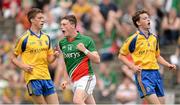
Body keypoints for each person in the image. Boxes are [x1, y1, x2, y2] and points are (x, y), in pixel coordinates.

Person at [118, 10, 176, 104]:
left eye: (148, 18)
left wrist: (168, 64)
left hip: (156, 74)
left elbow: (157, 56)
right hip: (144, 75)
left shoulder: (154, 38)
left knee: (162, 103)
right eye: (145, 18)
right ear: (138, 22)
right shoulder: (133, 39)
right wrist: (132, 66)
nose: (148, 20)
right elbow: (121, 55)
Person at [11, 8, 59, 104]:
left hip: (46, 77)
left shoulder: (46, 37)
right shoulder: (24, 38)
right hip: (33, 78)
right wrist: (23, 66)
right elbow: (12, 58)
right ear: (32, 20)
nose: (43, 20)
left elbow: (49, 60)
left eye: (43, 18)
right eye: (40, 18)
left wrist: (55, 56)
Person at [59, 15, 100, 104]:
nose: (61, 27)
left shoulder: (86, 40)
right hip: (74, 81)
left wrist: (84, 50)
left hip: (86, 78)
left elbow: (97, 60)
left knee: (77, 100)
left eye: (64, 24)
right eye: (61, 25)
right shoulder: (62, 43)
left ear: (73, 25)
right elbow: (66, 62)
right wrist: (65, 79)